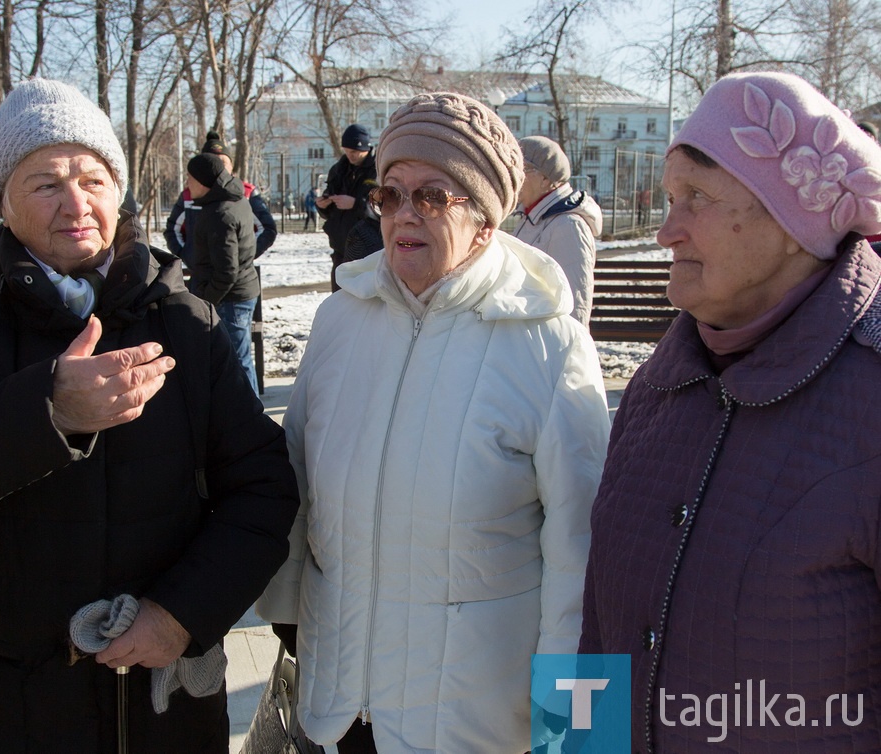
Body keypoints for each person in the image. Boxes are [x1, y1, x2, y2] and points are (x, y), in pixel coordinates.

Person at [0, 78, 299, 752]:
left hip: (160, 708)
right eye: (45, 183)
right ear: (3, 202)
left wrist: (181, 615)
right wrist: (48, 412)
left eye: (93, 179)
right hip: (3, 709)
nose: (75, 203)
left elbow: (264, 486)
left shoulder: (182, 318)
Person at [256, 91, 612, 753]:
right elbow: (296, 489)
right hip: (341, 714)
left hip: (475, 727)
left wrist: (582, 739)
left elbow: (587, 563)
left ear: (484, 216)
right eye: (390, 195)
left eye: (431, 195)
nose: (402, 215)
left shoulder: (548, 343)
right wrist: (288, 628)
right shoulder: (340, 321)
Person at [579, 72, 881, 751]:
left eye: (696, 198)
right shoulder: (659, 382)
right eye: (668, 197)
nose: (664, 231)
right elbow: (596, 625)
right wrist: (577, 744)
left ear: (790, 220)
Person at [186, 151, 261, 396]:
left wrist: (206, 298)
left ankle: (252, 423)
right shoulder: (230, 200)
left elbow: (227, 270)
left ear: (204, 180)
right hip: (236, 293)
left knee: (238, 361)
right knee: (237, 360)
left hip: (231, 298)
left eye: (190, 178)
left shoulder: (221, 213)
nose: (187, 184)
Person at [514, 136, 602, 328]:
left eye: (522, 170)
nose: (513, 178)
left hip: (546, 344)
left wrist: (566, 354)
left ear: (545, 178)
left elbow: (576, 302)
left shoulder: (568, 226)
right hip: (524, 336)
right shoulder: (530, 217)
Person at [165, 132, 276, 270]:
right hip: (201, 278)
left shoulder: (247, 193)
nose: (218, 168)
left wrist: (242, 259)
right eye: (213, 161)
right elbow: (172, 231)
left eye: (223, 162)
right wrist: (189, 257)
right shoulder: (189, 195)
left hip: (239, 278)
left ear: (231, 166)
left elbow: (267, 229)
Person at [317, 123, 378, 291]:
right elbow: (330, 205)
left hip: (368, 250)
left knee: (363, 305)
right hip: (340, 247)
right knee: (339, 303)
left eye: (354, 152)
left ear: (365, 148)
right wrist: (323, 205)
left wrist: (355, 204)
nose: (350, 155)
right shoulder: (339, 169)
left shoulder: (378, 170)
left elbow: (385, 208)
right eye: (346, 150)